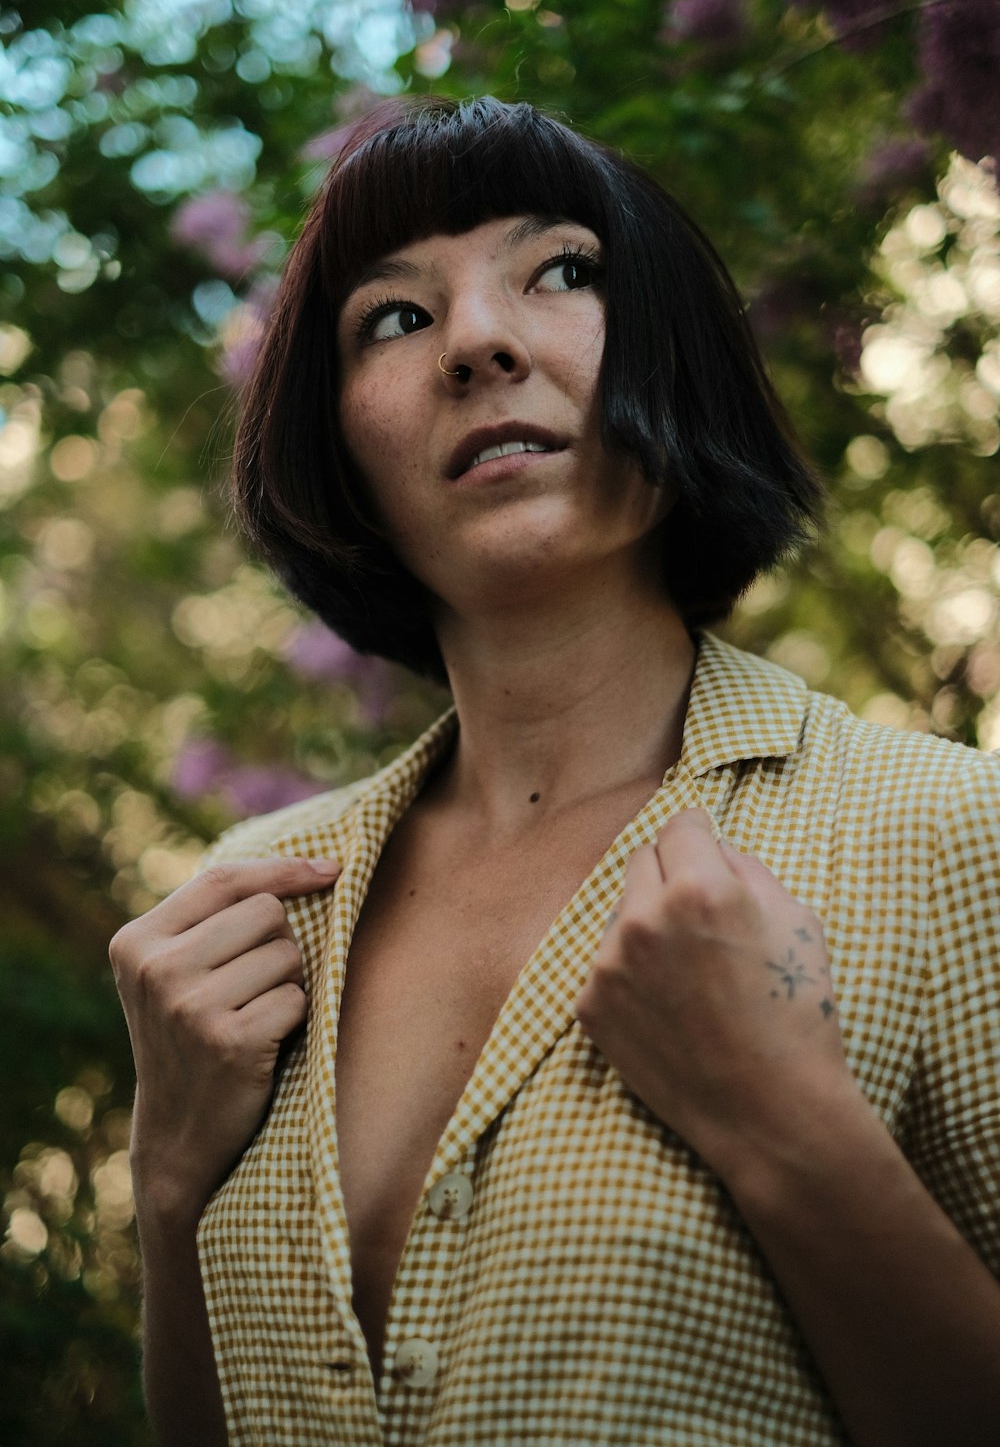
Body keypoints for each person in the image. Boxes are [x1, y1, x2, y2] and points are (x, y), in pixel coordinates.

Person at [110, 97, 1000, 1447]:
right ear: (340, 446)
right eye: (394, 318)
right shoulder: (245, 918)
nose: (477, 340)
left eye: (564, 272)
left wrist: (783, 1125)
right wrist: (170, 1182)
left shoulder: (942, 835)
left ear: (677, 357)